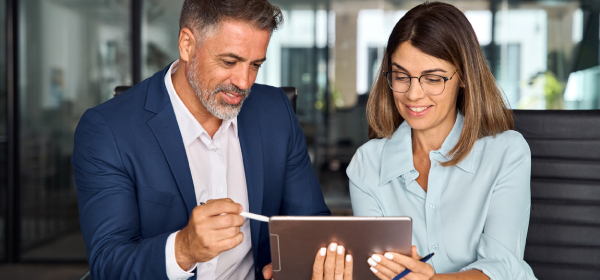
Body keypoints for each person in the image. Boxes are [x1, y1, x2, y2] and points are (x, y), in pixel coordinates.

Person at [72, 0, 330, 279]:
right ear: (186, 45)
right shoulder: (108, 130)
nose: (244, 82)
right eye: (229, 61)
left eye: (255, 64)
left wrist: (295, 266)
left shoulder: (275, 112)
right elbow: (108, 264)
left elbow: (311, 225)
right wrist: (184, 249)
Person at [336, 2, 537, 280]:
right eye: (401, 76)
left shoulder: (506, 153)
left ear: (464, 76)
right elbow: (380, 271)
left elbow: (503, 267)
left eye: (433, 78)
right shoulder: (368, 164)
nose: (413, 95)